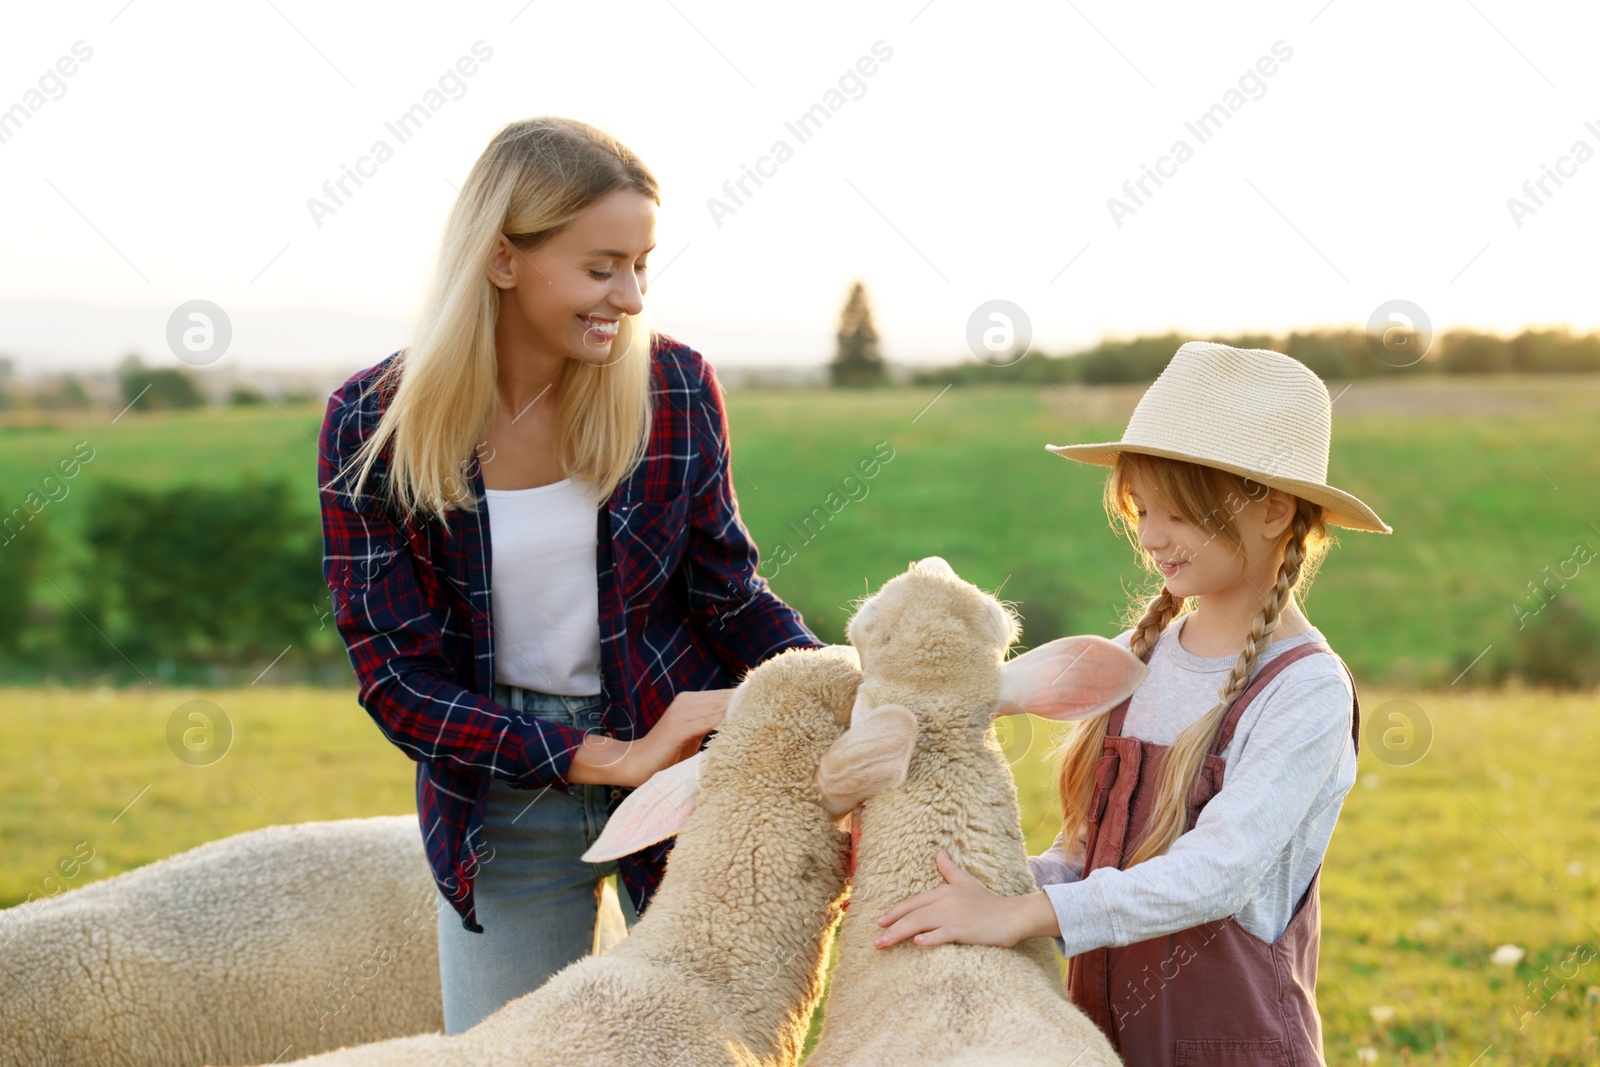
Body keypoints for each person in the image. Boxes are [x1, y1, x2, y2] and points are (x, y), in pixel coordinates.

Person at [316, 116, 822, 1034]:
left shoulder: (673, 384)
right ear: (504, 258)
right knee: (507, 1056)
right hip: (503, 799)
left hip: (691, 782)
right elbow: (396, 680)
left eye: (641, 265)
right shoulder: (371, 423)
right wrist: (604, 758)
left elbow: (728, 592)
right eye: (601, 267)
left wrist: (833, 686)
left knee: (706, 1050)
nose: (630, 297)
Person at [871, 341, 1392, 1063]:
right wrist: (995, 884)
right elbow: (1088, 853)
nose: (1149, 537)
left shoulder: (1305, 689)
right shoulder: (1136, 655)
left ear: (1272, 510)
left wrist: (1024, 911)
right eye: (1141, 511)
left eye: (1176, 514)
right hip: (1096, 1039)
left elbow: (1216, 873)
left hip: (1232, 1047)